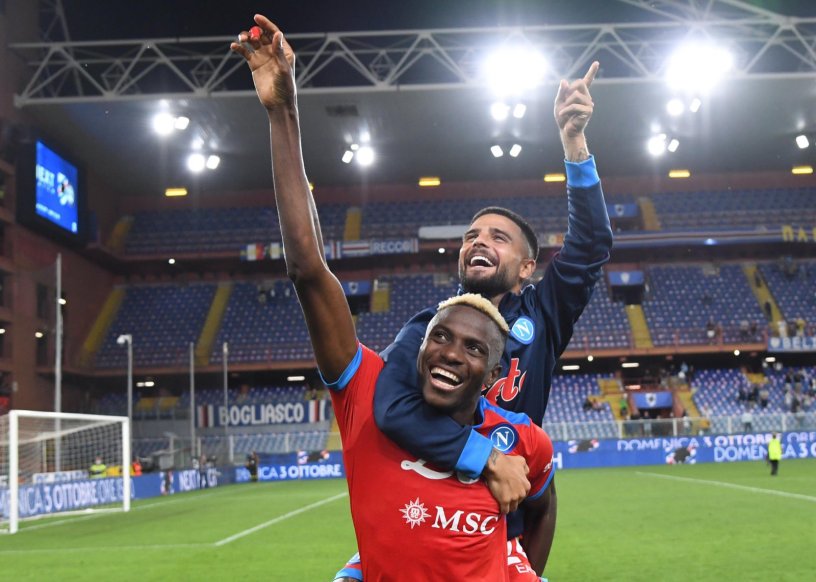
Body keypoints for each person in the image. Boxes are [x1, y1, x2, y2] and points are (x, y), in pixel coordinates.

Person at [230, 18, 555, 579]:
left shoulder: (522, 439)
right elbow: (308, 269)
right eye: (440, 336)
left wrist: (524, 570)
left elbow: (544, 505)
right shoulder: (366, 393)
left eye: (473, 348)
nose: (450, 352)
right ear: (419, 346)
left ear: (492, 374)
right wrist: (283, 113)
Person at [353, 48, 611, 582]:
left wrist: (574, 143)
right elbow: (393, 409)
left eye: (498, 237)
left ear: (527, 268)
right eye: (471, 235)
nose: (478, 241)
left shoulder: (543, 313)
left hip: (498, 528)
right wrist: (484, 455)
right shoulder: (426, 328)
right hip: (418, 525)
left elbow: (590, 247)